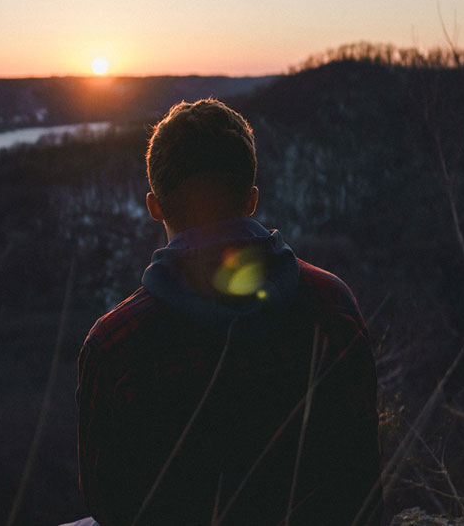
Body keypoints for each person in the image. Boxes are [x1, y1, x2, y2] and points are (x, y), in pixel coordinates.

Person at [74, 99, 382, 525]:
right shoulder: (332, 305)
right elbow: (362, 480)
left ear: (154, 206)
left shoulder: (117, 344)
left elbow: (108, 507)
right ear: (252, 199)